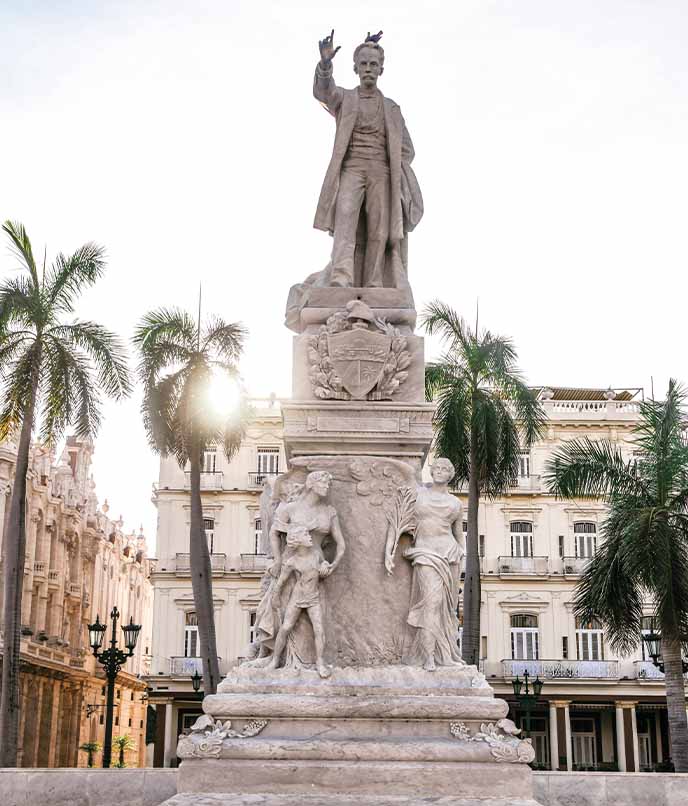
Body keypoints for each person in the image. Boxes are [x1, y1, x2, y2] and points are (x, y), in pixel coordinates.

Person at [313, 30, 423, 289]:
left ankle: (375, 283)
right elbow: (323, 92)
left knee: (379, 230)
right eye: (363, 64)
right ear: (355, 68)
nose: (368, 69)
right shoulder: (346, 99)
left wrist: (392, 164)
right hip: (351, 168)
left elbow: (407, 149)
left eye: (374, 64)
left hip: (382, 172)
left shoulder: (392, 109)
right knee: (345, 223)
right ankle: (341, 279)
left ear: (381, 69)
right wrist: (326, 65)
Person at [386, 458, 465, 671]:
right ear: (431, 471)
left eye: (444, 469)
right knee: (431, 602)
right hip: (425, 553)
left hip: (448, 554)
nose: (439, 471)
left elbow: (459, 536)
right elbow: (398, 522)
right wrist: (388, 550)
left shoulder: (455, 503)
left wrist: (461, 557)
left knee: (444, 608)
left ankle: (442, 653)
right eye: (436, 467)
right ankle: (428, 656)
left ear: (450, 475)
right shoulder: (418, 494)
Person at [269, 525, 332, 678]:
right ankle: (275, 660)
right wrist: (275, 596)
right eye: (305, 534)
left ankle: (320, 662)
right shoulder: (292, 562)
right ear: (298, 541)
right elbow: (281, 582)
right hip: (297, 598)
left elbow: (324, 566)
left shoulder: (316, 554)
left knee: (319, 629)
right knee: (285, 627)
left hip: (313, 597)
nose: (309, 536)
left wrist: (325, 566)